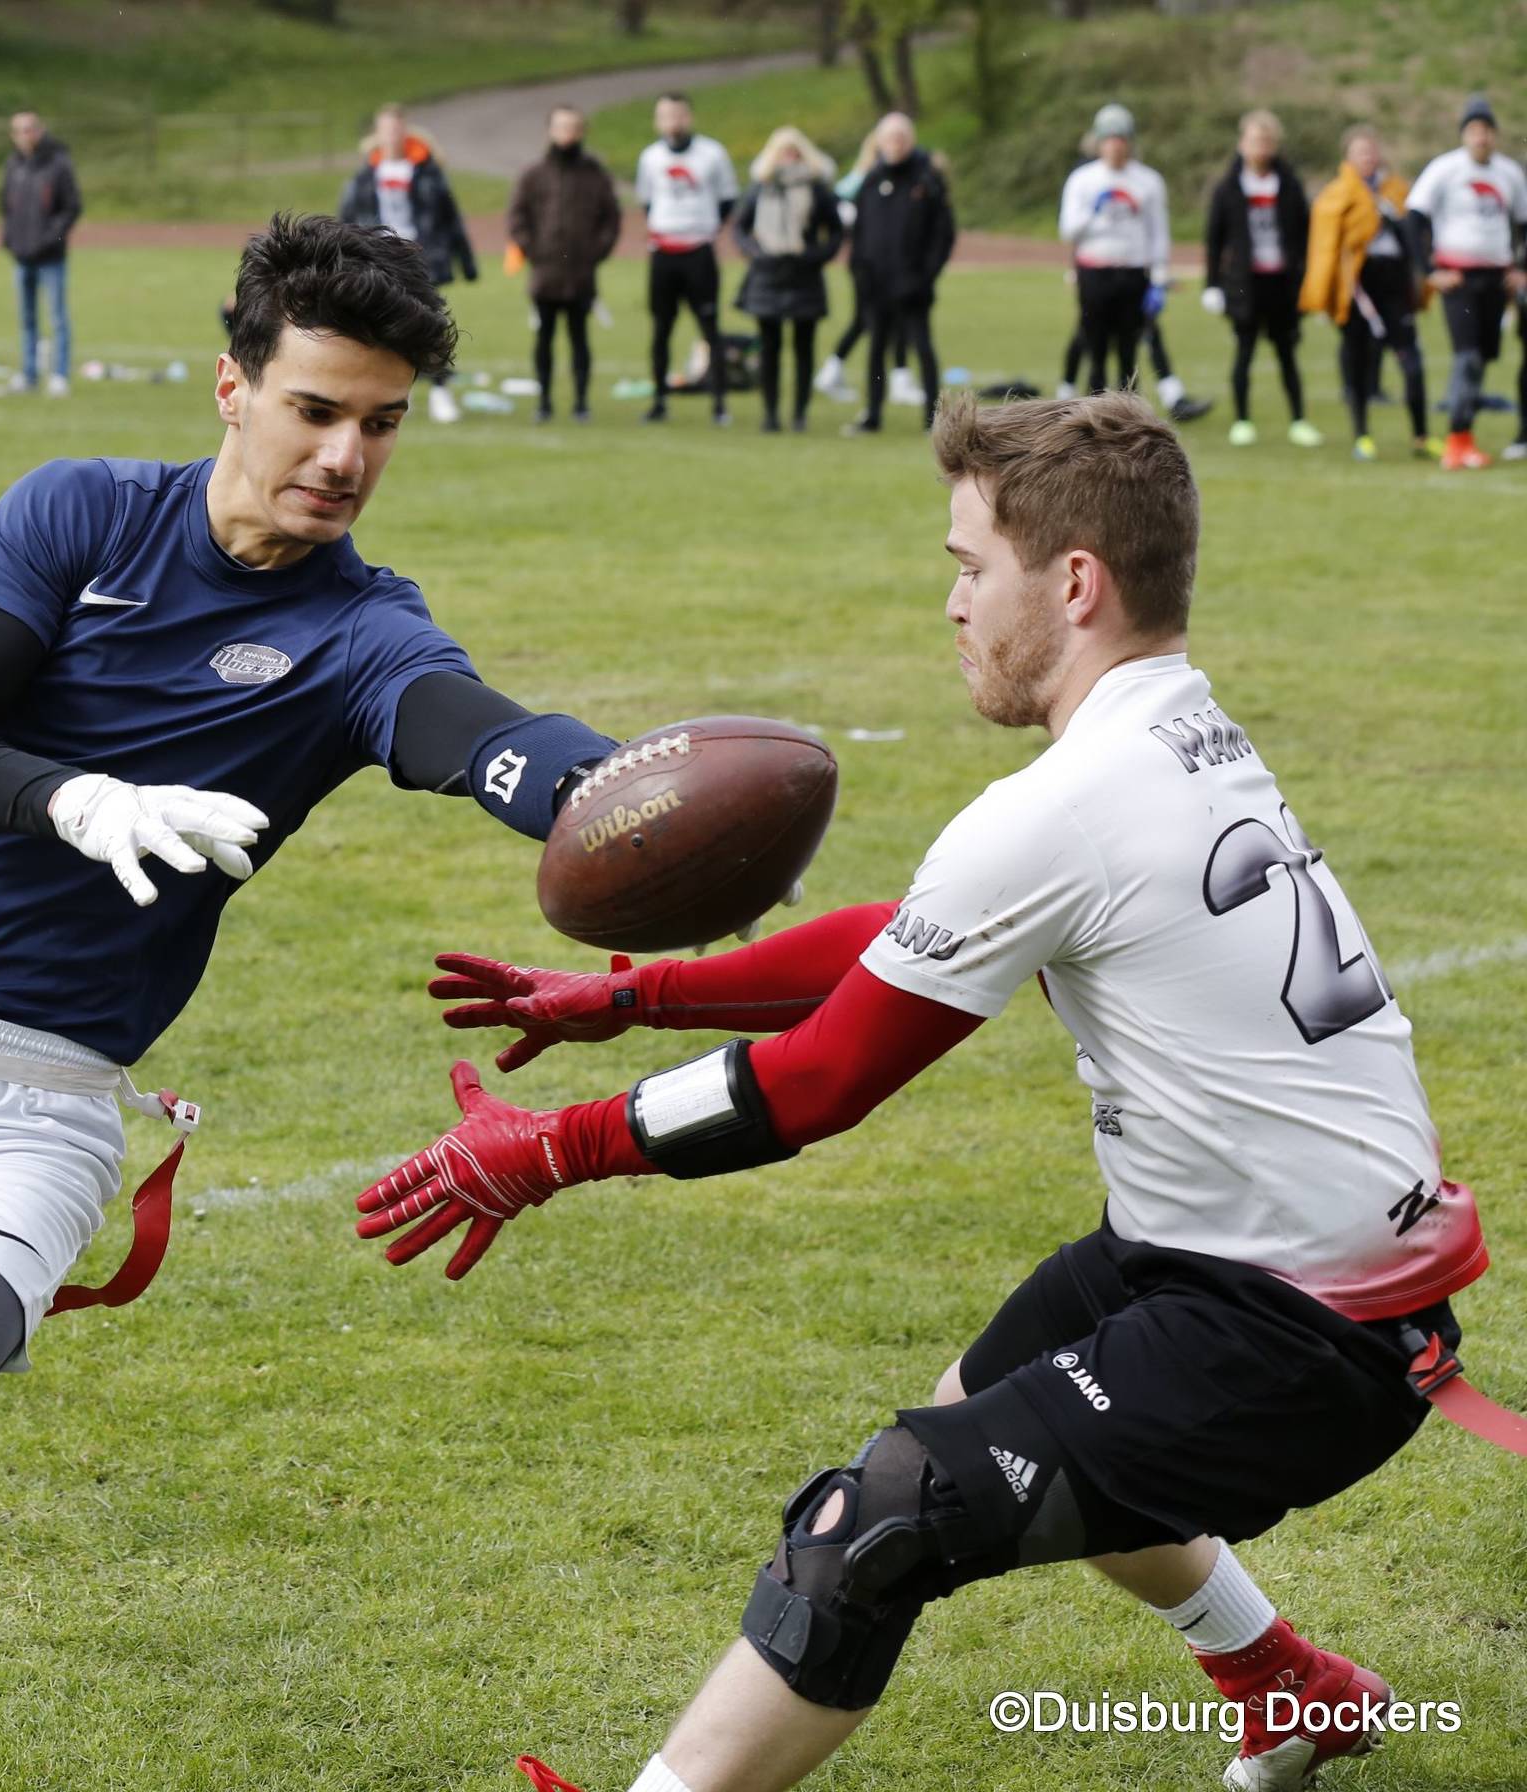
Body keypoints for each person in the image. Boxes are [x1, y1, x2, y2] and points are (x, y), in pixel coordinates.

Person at [0, 214, 630, 1792]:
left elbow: (472, 728)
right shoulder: (80, 514)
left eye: (382, 424)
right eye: (315, 409)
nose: (346, 456)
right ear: (231, 386)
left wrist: (616, 793)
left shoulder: (362, 633)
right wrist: (75, 800)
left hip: (32, 1108)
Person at [359, 389, 1487, 1792]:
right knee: (990, 1409)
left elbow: (825, 1079)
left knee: (870, 1525)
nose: (952, 605)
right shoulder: (1170, 737)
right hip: (1237, 1257)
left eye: (970, 569)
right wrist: (637, 995)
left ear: (1072, 583)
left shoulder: (1063, 807)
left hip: (1293, 1330)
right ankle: (1287, 1687)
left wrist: (549, 1151)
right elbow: (907, 938)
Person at [1407, 95, 1527, 469]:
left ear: (1495, 134)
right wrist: (1429, 272)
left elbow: (1523, 226)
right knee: (1468, 355)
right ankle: (1459, 440)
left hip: (1497, 279)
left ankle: (1464, 435)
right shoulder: (1445, 169)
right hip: (1459, 278)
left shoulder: (1509, 173)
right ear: (1464, 134)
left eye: (1487, 130)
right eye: (1474, 130)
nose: (1481, 137)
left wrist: (1520, 268)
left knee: (1485, 356)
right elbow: (1413, 220)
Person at [1302, 124, 1434, 462]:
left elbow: (1417, 234)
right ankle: (1362, 435)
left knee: (1411, 361)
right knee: (1358, 361)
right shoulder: (1337, 195)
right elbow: (1326, 248)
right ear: (1347, 157)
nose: (1369, 158)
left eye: (1373, 151)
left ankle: (1421, 436)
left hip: (1394, 285)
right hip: (1358, 288)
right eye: (1361, 152)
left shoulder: (1398, 191)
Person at [341, 103, 477, 422]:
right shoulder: (365, 176)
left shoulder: (427, 171)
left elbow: (450, 217)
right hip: (379, 258)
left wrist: (465, 260)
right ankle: (397, 392)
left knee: (430, 325)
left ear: (406, 131)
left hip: (421, 258)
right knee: (384, 327)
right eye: (386, 129)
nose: (392, 135)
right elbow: (348, 220)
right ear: (377, 134)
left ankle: (440, 390)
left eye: (397, 128)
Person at [1201, 110, 1319, 448]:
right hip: (1245, 285)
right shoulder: (1228, 188)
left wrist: (1307, 280)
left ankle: (1299, 420)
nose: (1261, 147)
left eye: (1267, 141)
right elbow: (1214, 239)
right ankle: (1242, 421)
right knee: (1244, 352)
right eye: (1255, 140)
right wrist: (1212, 284)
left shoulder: (1289, 184)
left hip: (1282, 283)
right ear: (1242, 144)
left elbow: (1305, 234)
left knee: (1287, 354)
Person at [507, 103, 622, 424]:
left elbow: (611, 218)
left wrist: (595, 252)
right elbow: (517, 218)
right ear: (550, 131)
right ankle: (543, 400)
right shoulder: (534, 175)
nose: (567, 133)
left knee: (580, 338)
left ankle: (581, 402)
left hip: (581, 275)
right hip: (545, 275)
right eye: (561, 126)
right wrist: (534, 251)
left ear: (582, 131)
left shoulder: (594, 174)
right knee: (544, 337)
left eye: (573, 127)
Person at [841, 112, 952, 436]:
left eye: (901, 138)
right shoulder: (872, 179)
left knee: (922, 346)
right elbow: (860, 231)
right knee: (876, 348)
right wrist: (858, 269)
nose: (895, 144)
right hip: (875, 283)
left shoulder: (926, 180)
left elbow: (943, 235)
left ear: (911, 140)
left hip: (912, 283)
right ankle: (873, 413)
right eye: (889, 138)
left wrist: (925, 275)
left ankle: (933, 418)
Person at [634, 92, 740, 425]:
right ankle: (659, 401)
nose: (673, 122)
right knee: (661, 328)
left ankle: (720, 403)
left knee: (709, 326)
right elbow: (647, 201)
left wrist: (702, 229)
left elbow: (727, 200)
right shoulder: (650, 157)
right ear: (657, 120)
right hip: (664, 254)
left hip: (699, 253)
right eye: (665, 116)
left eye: (678, 115)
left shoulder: (712, 154)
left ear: (688, 117)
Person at [732, 126, 845, 433]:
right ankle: (770, 413)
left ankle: (800, 413)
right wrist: (756, 252)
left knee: (803, 347)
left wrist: (816, 256)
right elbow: (739, 227)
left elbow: (836, 230)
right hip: (767, 274)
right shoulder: (761, 187)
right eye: (783, 151)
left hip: (803, 275)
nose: (789, 157)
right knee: (769, 348)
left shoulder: (816, 188)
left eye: (794, 151)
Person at [1060, 104, 1171, 396]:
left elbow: (1158, 232)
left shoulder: (1148, 181)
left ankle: (1127, 425)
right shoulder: (1083, 180)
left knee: (1128, 353)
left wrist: (1159, 279)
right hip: (1095, 273)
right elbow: (1068, 229)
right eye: (1109, 139)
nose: (1115, 146)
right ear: (1099, 142)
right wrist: (1093, 213)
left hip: (1133, 273)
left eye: (1121, 139)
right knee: (1095, 351)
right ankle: (1092, 424)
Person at [0, 109, 82, 397]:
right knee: (27, 319)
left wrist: (50, 238)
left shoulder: (58, 164)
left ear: (41, 129)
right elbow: (7, 207)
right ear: (13, 136)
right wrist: (10, 239)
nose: (26, 135)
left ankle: (59, 375)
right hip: (22, 256)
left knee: (57, 316)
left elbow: (71, 207)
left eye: (31, 128)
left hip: (50, 257)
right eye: (20, 130)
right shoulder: (13, 165)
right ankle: (28, 374)